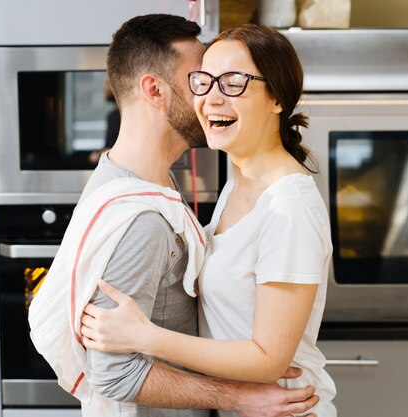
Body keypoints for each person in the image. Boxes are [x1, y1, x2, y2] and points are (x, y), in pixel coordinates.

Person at [30, 14, 320, 417]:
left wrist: (150, 338)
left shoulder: (277, 202)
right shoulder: (146, 214)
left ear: (277, 98)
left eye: (231, 82)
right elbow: (113, 373)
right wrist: (234, 396)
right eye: (199, 80)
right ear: (155, 90)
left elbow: (269, 354)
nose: (209, 96)